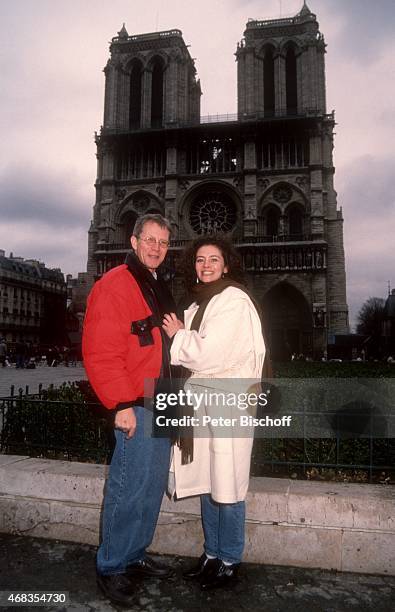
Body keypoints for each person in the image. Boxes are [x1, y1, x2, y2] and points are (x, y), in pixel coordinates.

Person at [162, 236, 266, 590]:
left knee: (230, 483)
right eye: (200, 259)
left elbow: (210, 354)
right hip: (205, 403)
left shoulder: (233, 300)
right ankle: (212, 554)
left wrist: (178, 334)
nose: (205, 265)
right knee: (210, 480)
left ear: (226, 265)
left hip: (227, 405)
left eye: (213, 260)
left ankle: (230, 559)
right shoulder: (199, 303)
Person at [82, 214, 176, 607]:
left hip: (162, 398)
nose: (155, 247)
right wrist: (120, 404)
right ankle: (112, 565)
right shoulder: (115, 284)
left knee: (150, 487)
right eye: (149, 240)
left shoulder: (155, 284)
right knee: (128, 485)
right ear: (134, 241)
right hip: (135, 403)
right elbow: (101, 351)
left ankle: (134, 553)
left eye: (163, 242)